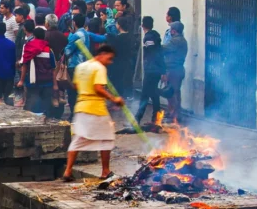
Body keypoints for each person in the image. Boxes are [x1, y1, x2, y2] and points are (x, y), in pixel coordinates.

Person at [63, 45, 123, 181]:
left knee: (78, 139)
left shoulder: (81, 66)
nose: (110, 62)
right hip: (96, 109)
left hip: (81, 107)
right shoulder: (99, 67)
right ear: (102, 54)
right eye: (110, 58)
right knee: (107, 138)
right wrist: (114, 99)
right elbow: (98, 88)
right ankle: (105, 171)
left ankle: (67, 171)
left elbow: (76, 86)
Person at [18, 26, 56, 116]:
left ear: (34, 36)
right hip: (47, 82)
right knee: (45, 108)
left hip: (33, 82)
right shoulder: (48, 50)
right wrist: (55, 84)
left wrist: (21, 80)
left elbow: (25, 65)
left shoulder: (29, 47)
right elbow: (53, 68)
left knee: (32, 108)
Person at [136, 16, 165, 124]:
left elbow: (153, 54)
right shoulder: (155, 36)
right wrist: (163, 70)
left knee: (145, 95)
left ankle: (137, 119)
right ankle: (156, 119)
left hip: (151, 70)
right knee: (154, 94)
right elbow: (160, 55)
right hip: (156, 70)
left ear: (143, 25)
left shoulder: (148, 38)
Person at [163, 13, 188, 121]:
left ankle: (175, 115)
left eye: (172, 29)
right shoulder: (182, 40)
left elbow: (163, 49)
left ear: (174, 31)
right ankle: (174, 114)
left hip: (174, 70)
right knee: (175, 92)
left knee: (172, 93)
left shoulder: (175, 41)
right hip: (178, 69)